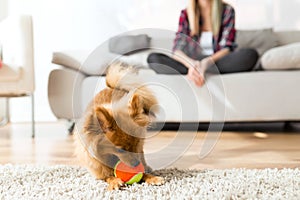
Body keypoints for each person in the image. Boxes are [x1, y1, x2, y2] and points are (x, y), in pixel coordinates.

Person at [147, 0, 259, 87]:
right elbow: (177, 50)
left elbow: (227, 47)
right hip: (192, 61)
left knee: (250, 55)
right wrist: (192, 64)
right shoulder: (185, 14)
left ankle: (201, 70)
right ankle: (196, 71)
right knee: (154, 59)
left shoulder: (227, 10)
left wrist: (206, 63)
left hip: (216, 61)